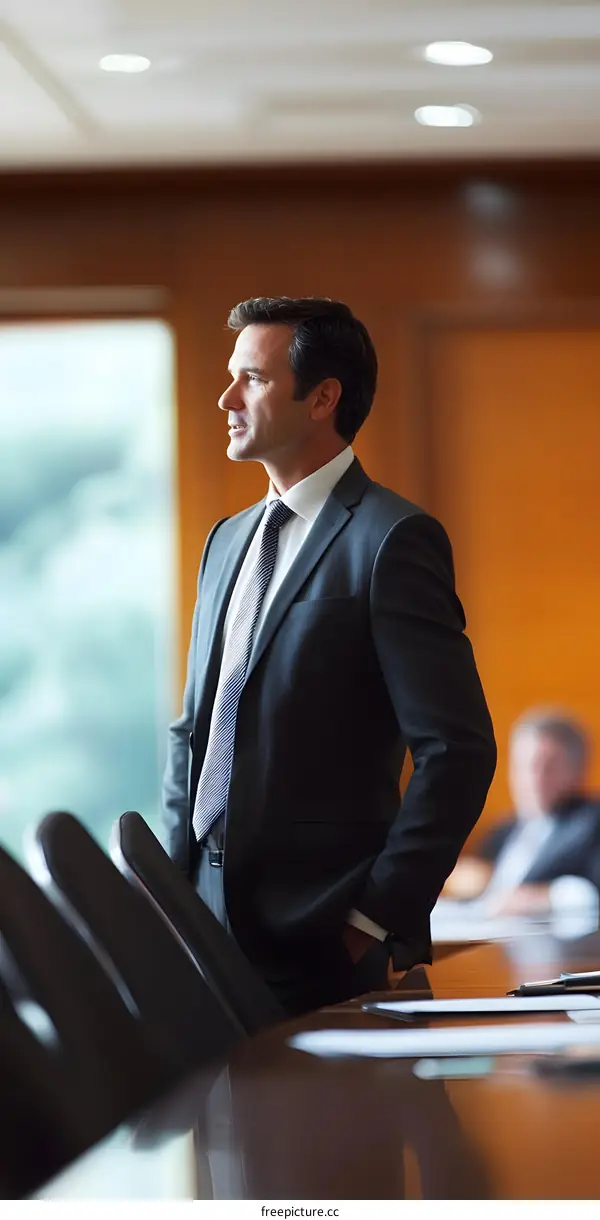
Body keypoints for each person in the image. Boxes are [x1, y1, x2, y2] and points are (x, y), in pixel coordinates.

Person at [162, 296, 496, 1014]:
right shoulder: (227, 539)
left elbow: (457, 748)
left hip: (325, 935)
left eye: (249, 379)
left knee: (332, 1131)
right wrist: (169, 894)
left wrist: (374, 918)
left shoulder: (392, 537)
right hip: (203, 928)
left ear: (322, 398)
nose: (226, 398)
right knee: (215, 1128)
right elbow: (194, 730)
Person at [442, 708, 600, 918]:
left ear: (576, 771)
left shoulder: (590, 823)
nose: (533, 779)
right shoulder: (504, 830)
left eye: (549, 767)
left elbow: (591, 891)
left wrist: (545, 898)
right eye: (525, 765)